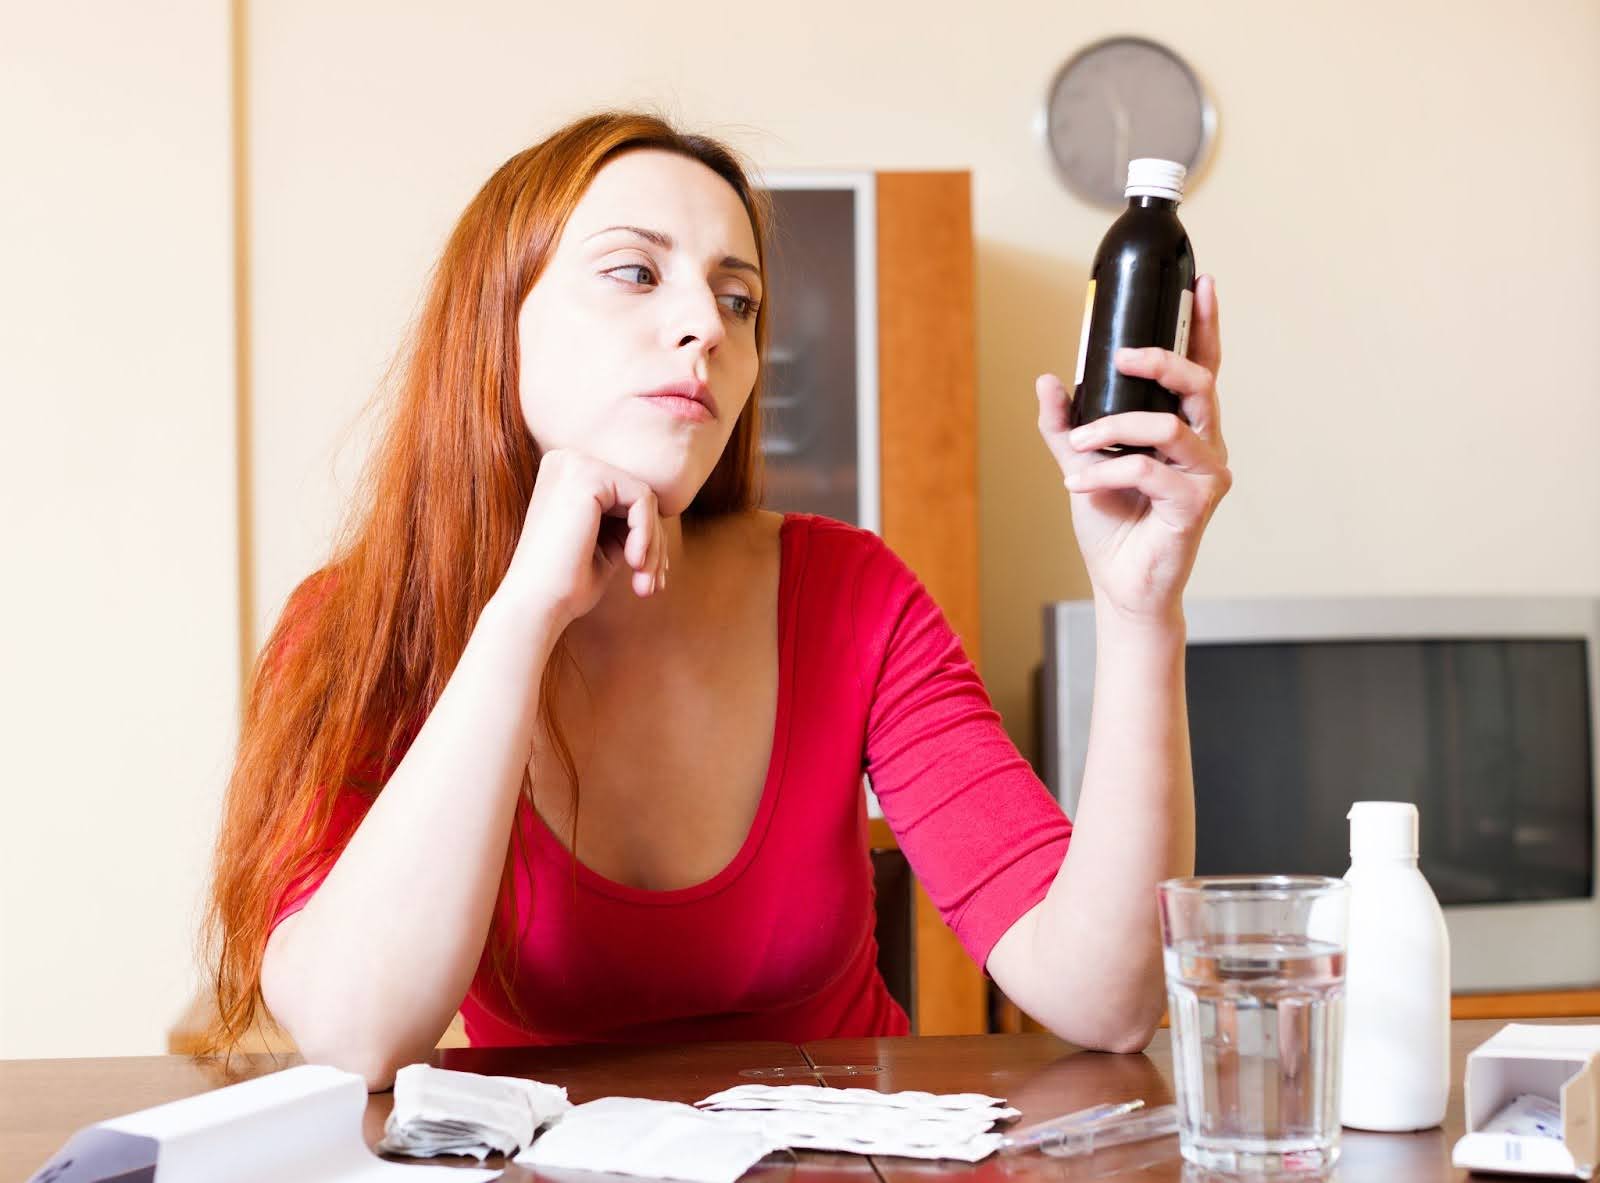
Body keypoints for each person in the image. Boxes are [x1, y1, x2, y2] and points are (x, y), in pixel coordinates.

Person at [201, 111, 1231, 1091]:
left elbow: (1106, 1000)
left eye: (736, 298)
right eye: (634, 273)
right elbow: (355, 1034)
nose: (706, 324)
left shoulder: (849, 593)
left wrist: (1141, 608)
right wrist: (519, 614)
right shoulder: (354, 629)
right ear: (495, 321)